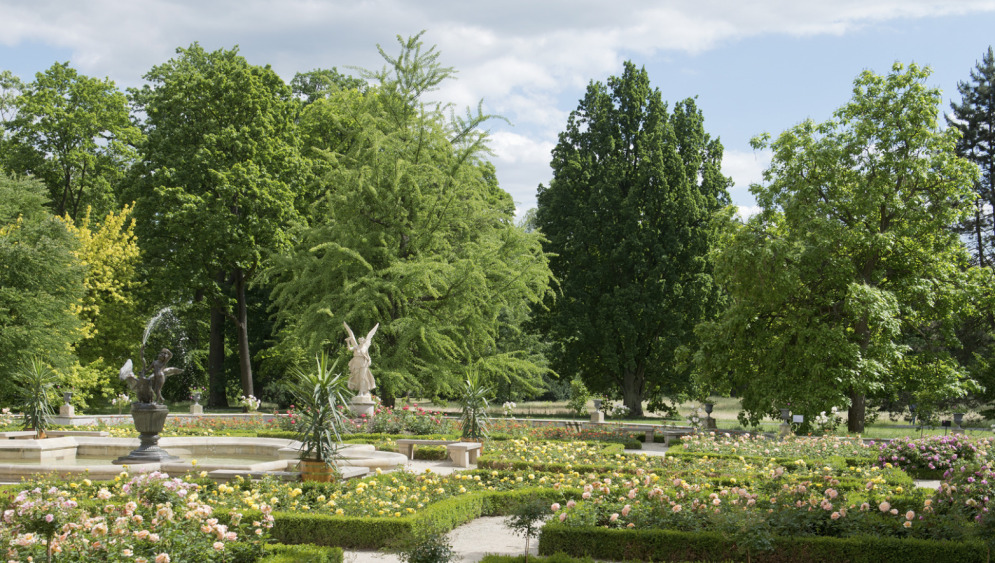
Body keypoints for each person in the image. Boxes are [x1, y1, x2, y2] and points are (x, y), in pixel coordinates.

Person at [344, 322, 379, 396]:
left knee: (362, 377)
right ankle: (361, 391)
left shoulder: (365, 347)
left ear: (364, 341)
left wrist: (369, 360)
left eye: (362, 341)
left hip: (363, 363)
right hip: (356, 362)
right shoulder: (356, 347)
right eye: (359, 341)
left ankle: (361, 392)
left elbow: (367, 354)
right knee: (356, 377)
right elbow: (349, 349)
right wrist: (348, 342)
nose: (360, 342)